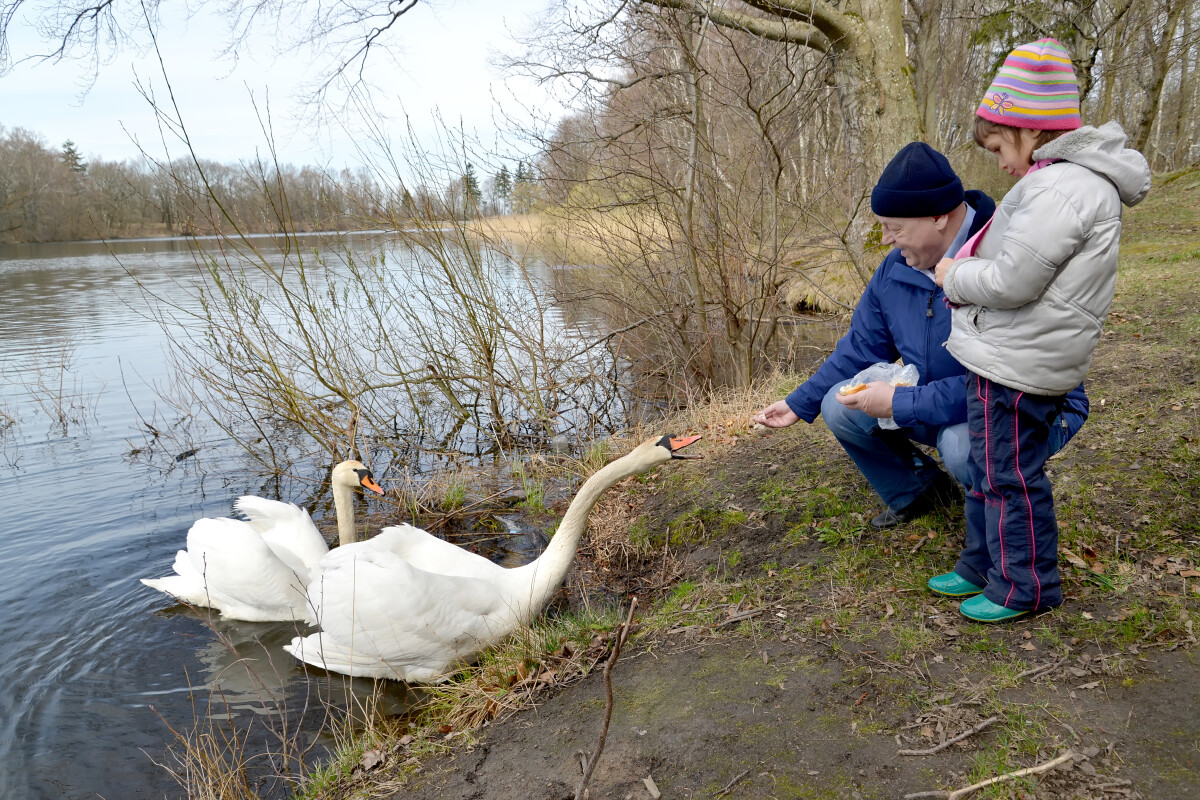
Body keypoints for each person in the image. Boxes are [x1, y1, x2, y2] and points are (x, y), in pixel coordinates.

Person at [753, 141, 1088, 530]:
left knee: (961, 444)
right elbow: (861, 347)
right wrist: (799, 402)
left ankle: (1000, 523)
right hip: (935, 400)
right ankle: (921, 491)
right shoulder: (895, 269)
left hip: (1024, 407)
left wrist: (902, 402)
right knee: (838, 404)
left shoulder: (1007, 261)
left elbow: (998, 384)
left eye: (894, 227)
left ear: (938, 217)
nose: (885, 239)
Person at [930, 38, 1150, 622]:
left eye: (1001, 146)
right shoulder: (1058, 182)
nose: (1000, 163)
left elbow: (1013, 280)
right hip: (1006, 355)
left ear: (1033, 130)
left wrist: (953, 274)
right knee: (986, 468)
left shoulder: (1065, 188)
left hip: (1022, 364)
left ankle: (1026, 587)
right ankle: (983, 564)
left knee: (1010, 475)